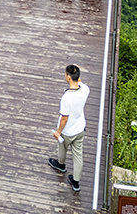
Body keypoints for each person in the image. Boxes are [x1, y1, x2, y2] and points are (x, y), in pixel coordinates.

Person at [48, 64, 91, 192]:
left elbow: (64, 118)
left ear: (68, 77)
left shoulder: (66, 98)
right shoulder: (85, 89)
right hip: (80, 128)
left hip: (67, 131)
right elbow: (80, 82)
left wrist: (58, 132)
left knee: (62, 147)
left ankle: (61, 165)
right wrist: (77, 71)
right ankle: (76, 182)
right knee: (78, 155)